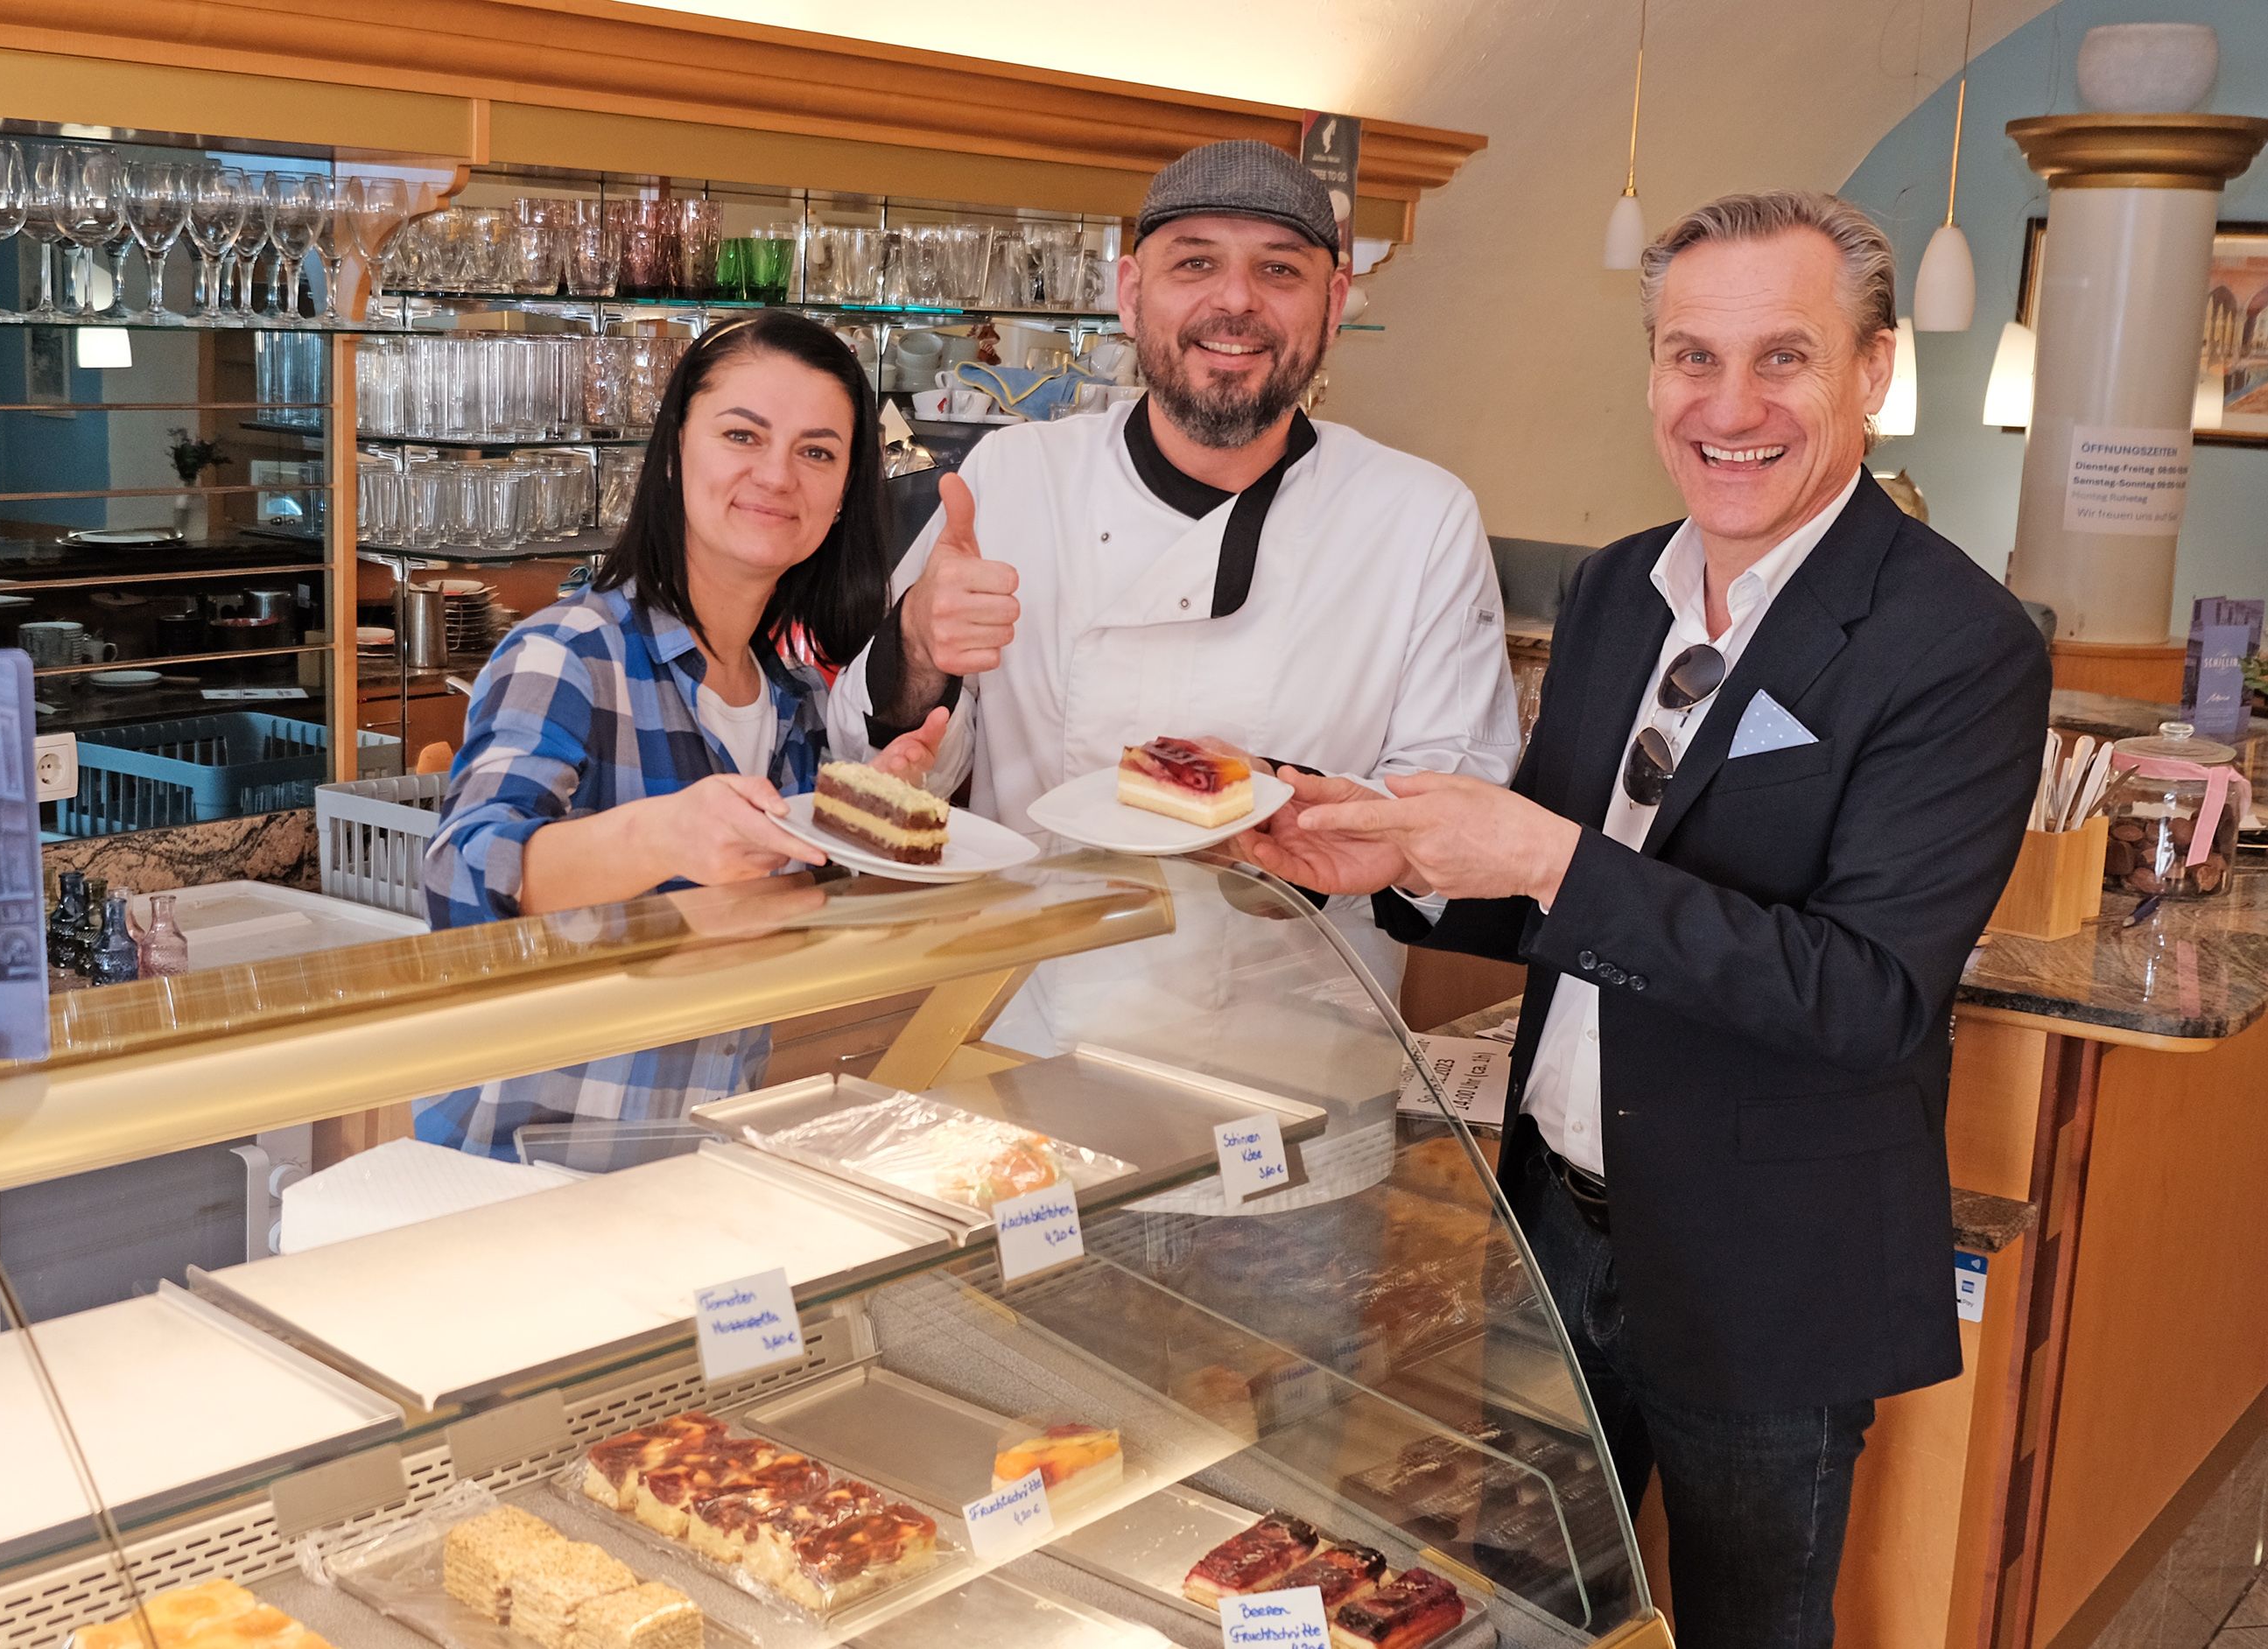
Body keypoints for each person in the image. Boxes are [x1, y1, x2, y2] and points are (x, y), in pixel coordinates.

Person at [1238, 191, 2050, 1645]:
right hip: (1556, 1222)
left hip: (1768, 1260)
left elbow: (1864, 994)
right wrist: (1384, 860)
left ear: (1869, 371)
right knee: (1536, 1608)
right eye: (1689, 356)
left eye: (1781, 359)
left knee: (1747, 1622)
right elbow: (1559, 898)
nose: (1726, 406)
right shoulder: (1619, 586)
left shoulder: (1957, 642)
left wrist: (1542, 856)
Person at [827, 138, 1519, 1077]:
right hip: (1026, 1039)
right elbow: (887, 757)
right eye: (1194, 262)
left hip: (1297, 1062)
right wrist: (918, 638)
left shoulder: (1419, 515)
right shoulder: (1016, 476)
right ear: (1129, 291)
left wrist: (1303, 820)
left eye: (1279, 269)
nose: (1234, 301)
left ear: (1333, 300)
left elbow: (1458, 791)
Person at [420, 311, 945, 1157]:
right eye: (742, 434)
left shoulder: (795, 698)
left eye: (816, 451)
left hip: (689, 1166)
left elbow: (787, 921)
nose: (776, 475)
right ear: (673, 454)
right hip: (518, 1177)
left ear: (846, 491)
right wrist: (661, 833)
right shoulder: (570, 652)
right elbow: (459, 877)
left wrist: (868, 822)